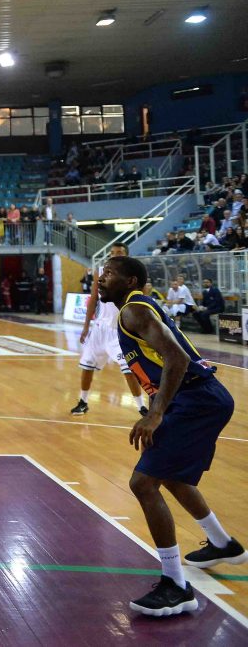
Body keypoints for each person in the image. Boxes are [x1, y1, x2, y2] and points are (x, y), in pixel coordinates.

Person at [98, 256, 244, 617]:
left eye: (109, 274)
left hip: (195, 399)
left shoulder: (133, 311)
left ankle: (176, 586)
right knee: (170, 476)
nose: (100, 279)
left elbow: (177, 359)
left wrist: (156, 413)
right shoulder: (134, 309)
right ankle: (222, 543)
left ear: (130, 281)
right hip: (195, 398)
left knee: (143, 483)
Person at [71, 243, 147, 416]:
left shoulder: (133, 276)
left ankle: (141, 406)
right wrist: (86, 327)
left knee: (129, 370)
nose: (114, 255)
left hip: (120, 329)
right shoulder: (100, 272)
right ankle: (83, 401)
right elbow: (93, 299)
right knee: (87, 365)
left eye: (119, 252)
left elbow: (141, 300)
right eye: (112, 252)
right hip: (99, 328)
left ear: (127, 255)